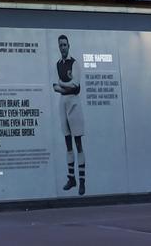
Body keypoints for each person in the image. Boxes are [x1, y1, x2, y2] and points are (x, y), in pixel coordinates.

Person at [53, 34, 85, 193]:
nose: (63, 47)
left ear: (69, 46)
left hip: (74, 102)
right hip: (63, 102)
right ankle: (72, 179)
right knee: (67, 142)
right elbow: (55, 87)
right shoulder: (58, 64)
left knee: (78, 141)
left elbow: (75, 85)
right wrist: (65, 87)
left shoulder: (75, 63)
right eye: (60, 45)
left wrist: (63, 85)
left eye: (65, 45)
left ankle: (82, 180)